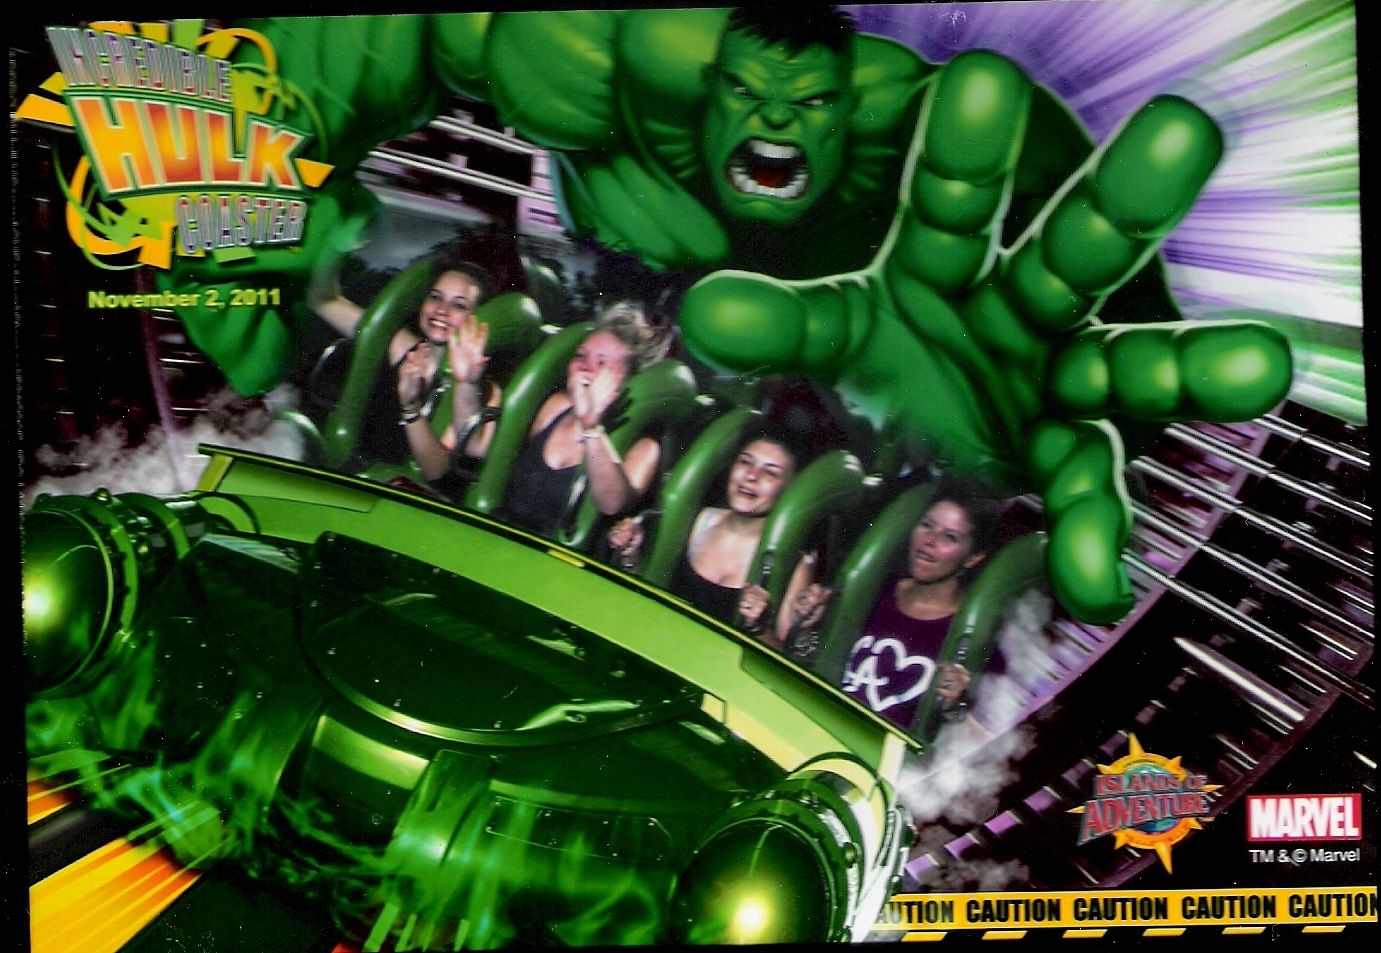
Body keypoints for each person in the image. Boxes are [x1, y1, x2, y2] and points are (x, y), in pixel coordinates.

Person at [452, 300, 670, 537]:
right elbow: (476, 447)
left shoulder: (644, 448)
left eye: (602, 363)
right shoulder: (554, 407)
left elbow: (611, 503)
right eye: (581, 355)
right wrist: (466, 383)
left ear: (629, 381)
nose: (585, 367)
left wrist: (591, 427)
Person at [608, 428, 822, 642]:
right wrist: (630, 554)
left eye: (770, 473)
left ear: (789, 491)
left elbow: (784, 654)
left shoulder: (793, 564)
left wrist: (757, 626)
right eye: (745, 462)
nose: (751, 476)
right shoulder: (695, 521)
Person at [310, 256, 502, 482]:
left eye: (459, 305)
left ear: (477, 321)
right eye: (435, 297)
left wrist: (411, 409)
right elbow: (323, 301)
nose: (442, 310)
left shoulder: (486, 391)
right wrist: (336, 247)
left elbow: (436, 472)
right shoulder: (400, 345)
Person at [836, 484, 1005, 730]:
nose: (929, 540)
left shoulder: (976, 639)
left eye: (950, 537)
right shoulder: (873, 590)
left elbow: (986, 739)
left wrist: (954, 707)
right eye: (927, 525)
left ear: (973, 558)